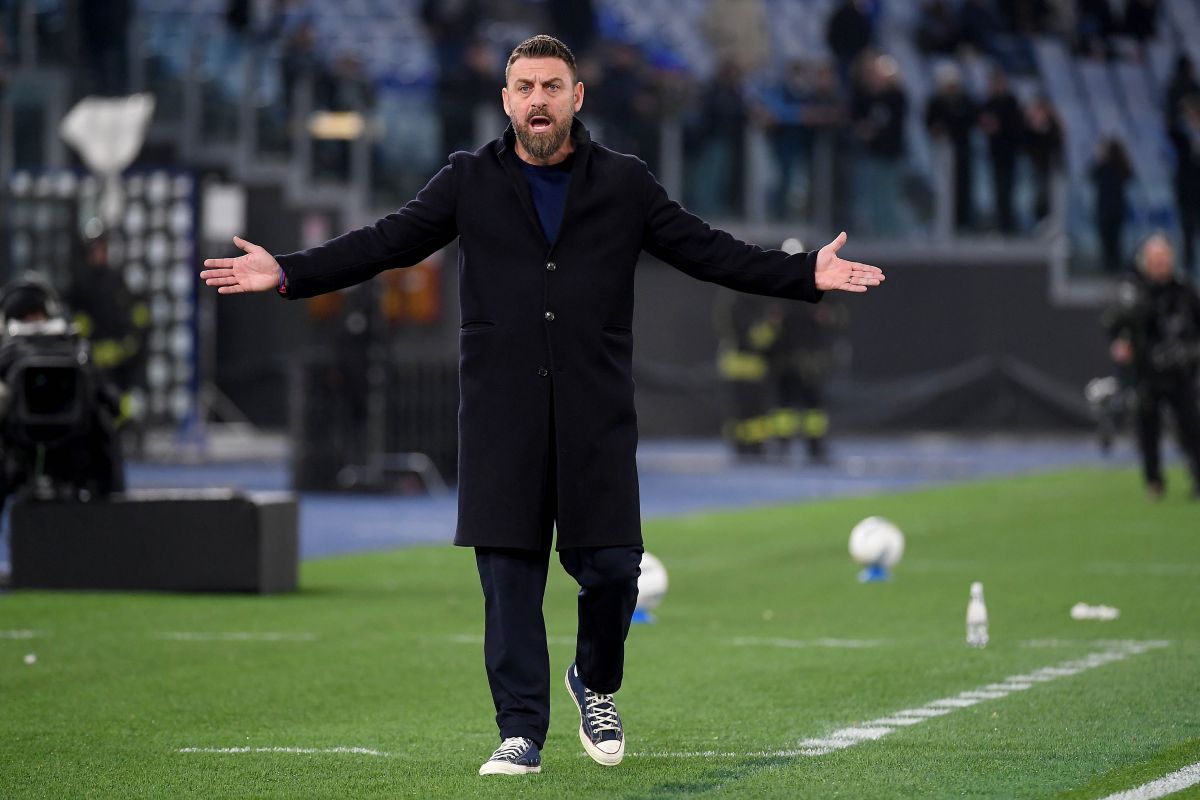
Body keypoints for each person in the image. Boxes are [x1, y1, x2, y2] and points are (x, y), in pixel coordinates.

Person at [200, 34, 885, 777]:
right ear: (505, 100)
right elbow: (385, 242)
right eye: (524, 87)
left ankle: (595, 681)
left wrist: (804, 274)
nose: (537, 100)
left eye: (551, 86)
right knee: (510, 580)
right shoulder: (467, 179)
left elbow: (708, 250)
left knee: (616, 568)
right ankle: (521, 731)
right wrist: (289, 272)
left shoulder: (624, 183)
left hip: (595, 412)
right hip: (502, 416)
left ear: (576, 97)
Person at [1104, 234, 1200, 499]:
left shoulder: (1184, 289)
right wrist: (1119, 343)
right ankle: (1154, 481)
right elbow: (1113, 322)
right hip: (1147, 370)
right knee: (1148, 427)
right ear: (1145, 262)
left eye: (1164, 259)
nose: (1160, 264)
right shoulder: (1133, 290)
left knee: (1191, 426)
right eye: (1155, 260)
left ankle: (1198, 477)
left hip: (1181, 370)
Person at [924, 62, 977, 231]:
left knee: (962, 188)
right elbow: (929, 123)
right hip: (941, 151)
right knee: (941, 188)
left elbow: (970, 122)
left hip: (962, 151)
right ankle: (941, 223)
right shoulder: (936, 102)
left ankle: (962, 223)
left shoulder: (965, 101)